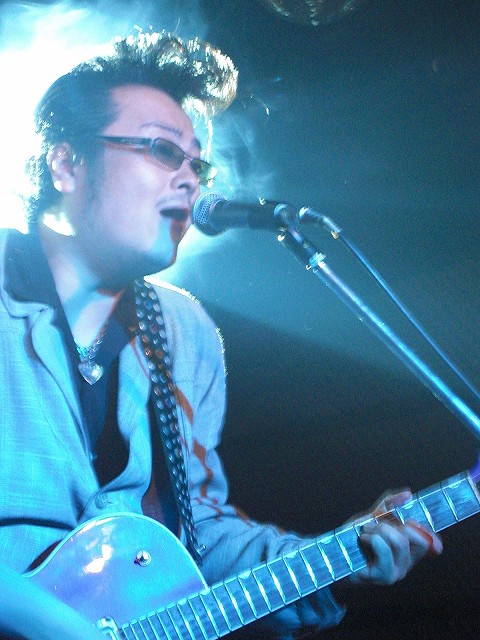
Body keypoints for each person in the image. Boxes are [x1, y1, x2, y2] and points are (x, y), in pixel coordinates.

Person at [0, 32, 442, 640]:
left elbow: (200, 538)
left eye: (197, 164)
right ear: (67, 163)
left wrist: (341, 558)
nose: (191, 181)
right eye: (162, 150)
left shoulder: (183, 332)